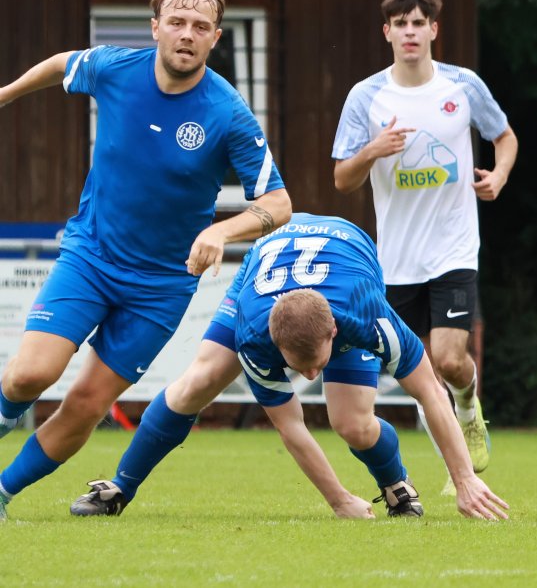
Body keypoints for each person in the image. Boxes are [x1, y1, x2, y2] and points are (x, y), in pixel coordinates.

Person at [0, 0, 292, 520]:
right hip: (91, 257)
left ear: (215, 38)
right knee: (27, 376)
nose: (187, 33)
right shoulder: (114, 67)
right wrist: (6, 94)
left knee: (85, 404)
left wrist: (219, 231)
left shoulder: (228, 111)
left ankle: (2, 491)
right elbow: (63, 64)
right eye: (177, 23)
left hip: (160, 287)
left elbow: (278, 203)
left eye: (200, 26)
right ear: (156, 28)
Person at [69, 213, 509, 521]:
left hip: (346, 248)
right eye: (298, 367)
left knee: (353, 424)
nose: (311, 379)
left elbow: (431, 390)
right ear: (275, 343)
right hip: (264, 267)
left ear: (335, 334)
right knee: (197, 382)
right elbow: (291, 427)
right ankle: (122, 487)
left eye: (315, 365)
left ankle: (397, 486)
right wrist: (338, 500)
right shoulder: (255, 334)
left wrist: (464, 479)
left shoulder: (368, 316)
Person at [332, 0, 518, 491]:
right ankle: (456, 463)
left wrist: (498, 176)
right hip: (396, 259)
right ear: (386, 32)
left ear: (433, 30)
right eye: (401, 24)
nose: (410, 32)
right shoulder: (366, 97)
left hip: (454, 246)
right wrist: (374, 150)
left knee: (450, 359)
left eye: (419, 23)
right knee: (419, 377)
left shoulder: (462, 87)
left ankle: (469, 405)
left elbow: (504, 136)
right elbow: (343, 178)